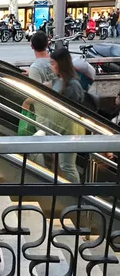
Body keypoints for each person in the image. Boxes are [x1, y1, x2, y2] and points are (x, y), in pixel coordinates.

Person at [50, 48, 85, 183]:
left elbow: (74, 109)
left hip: (70, 128)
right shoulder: (61, 80)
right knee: (62, 163)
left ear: (61, 64)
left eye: (53, 63)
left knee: (67, 165)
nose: (51, 67)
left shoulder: (72, 85)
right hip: (60, 127)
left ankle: (77, 195)